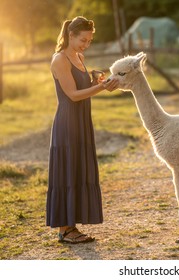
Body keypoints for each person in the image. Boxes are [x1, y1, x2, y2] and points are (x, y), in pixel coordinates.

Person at [46, 16, 118, 244]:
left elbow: (83, 86)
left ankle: (72, 227)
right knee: (67, 169)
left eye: (89, 41)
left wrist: (97, 79)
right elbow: (73, 95)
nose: (85, 45)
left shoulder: (79, 57)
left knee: (77, 169)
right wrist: (100, 87)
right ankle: (64, 230)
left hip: (82, 122)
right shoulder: (60, 59)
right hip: (67, 123)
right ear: (71, 35)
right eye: (83, 40)